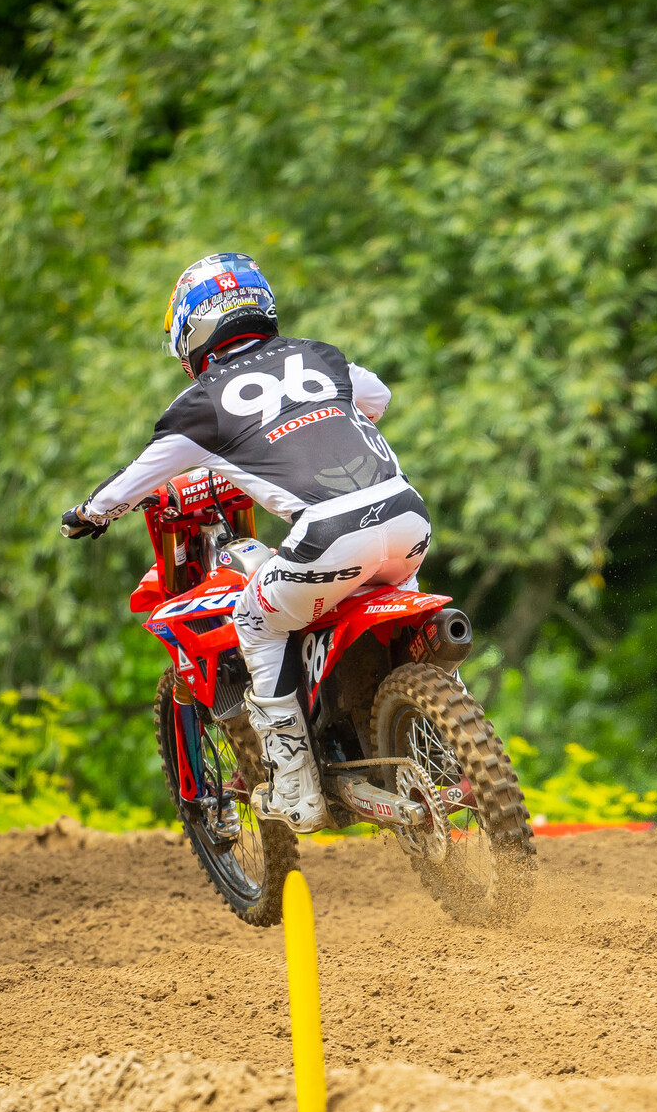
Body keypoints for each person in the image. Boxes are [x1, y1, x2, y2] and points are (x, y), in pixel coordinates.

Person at [60, 253, 428, 834]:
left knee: (255, 620)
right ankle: (443, 742)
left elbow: (132, 482)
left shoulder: (200, 404)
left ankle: (299, 788)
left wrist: (88, 514)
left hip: (331, 534)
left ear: (191, 330)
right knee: (410, 628)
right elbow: (376, 398)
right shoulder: (318, 355)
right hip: (410, 520)